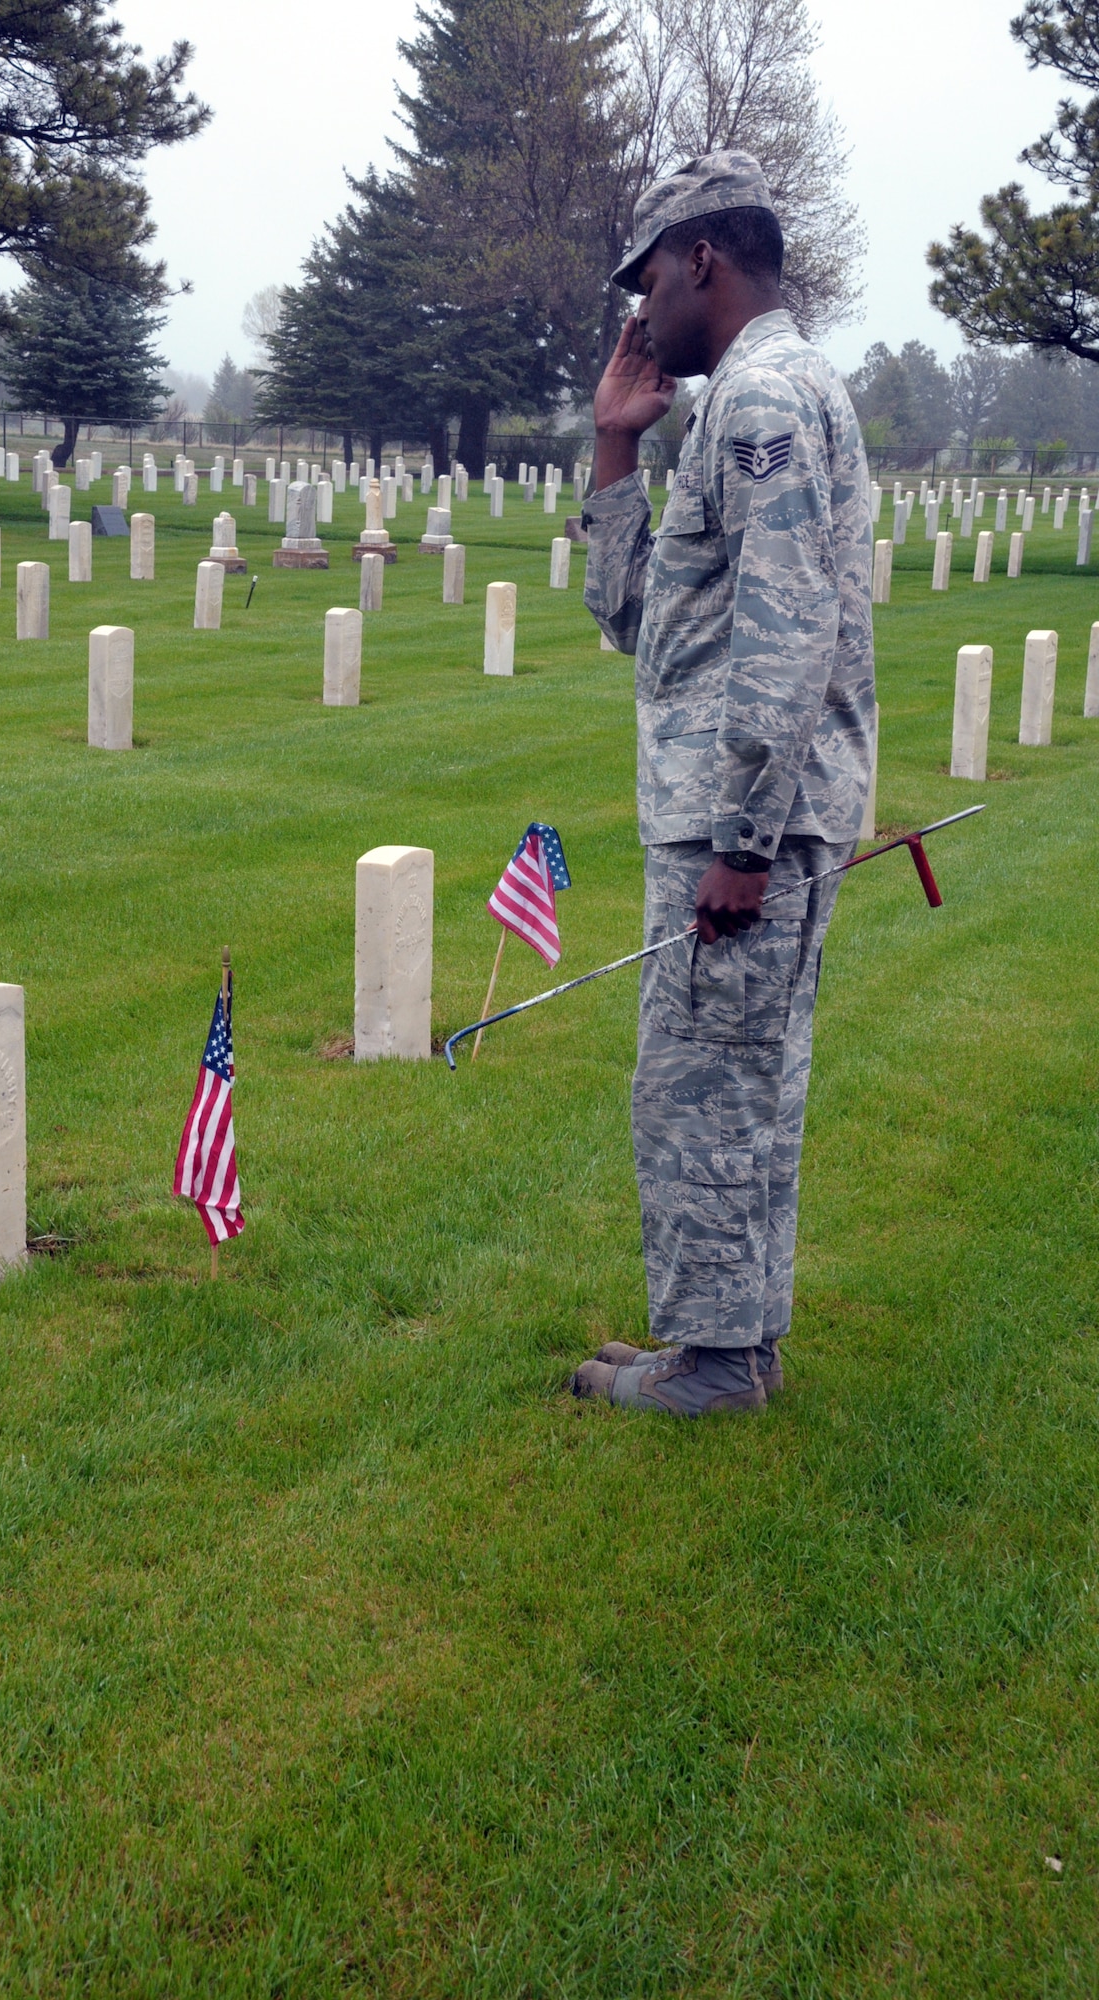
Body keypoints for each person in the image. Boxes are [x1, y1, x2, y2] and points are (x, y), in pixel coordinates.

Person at [571, 151, 875, 1418]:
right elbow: (638, 621)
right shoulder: (728, 405)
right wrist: (610, 449)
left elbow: (786, 629)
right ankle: (724, 1345)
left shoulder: (762, 402)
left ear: (701, 256)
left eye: (646, 279)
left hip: (738, 815)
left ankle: (717, 1364)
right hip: (722, 806)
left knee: (705, 1080)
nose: (637, 313)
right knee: (720, 1072)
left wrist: (743, 839)